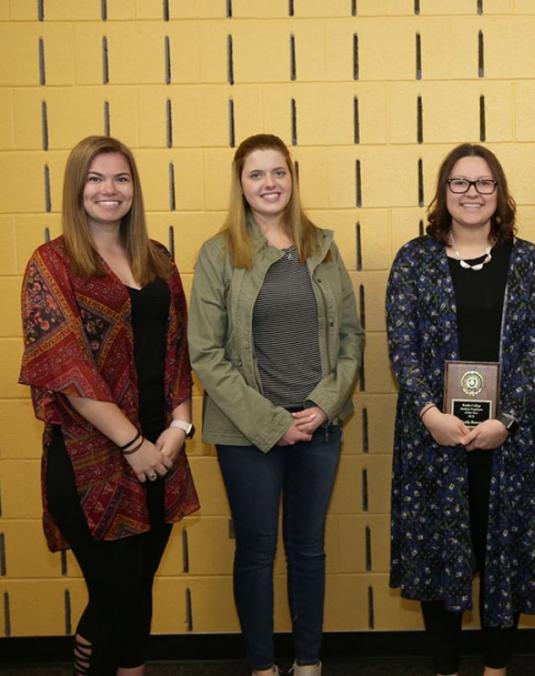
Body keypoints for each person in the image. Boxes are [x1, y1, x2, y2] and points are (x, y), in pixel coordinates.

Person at [19, 135, 199, 675]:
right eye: (95, 179)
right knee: (115, 598)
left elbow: (179, 348)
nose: (109, 190)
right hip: (91, 463)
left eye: (120, 178)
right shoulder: (51, 264)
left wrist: (180, 425)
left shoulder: (158, 258)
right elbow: (65, 370)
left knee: (137, 596)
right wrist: (133, 444)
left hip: (161, 454)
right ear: (76, 188)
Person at [187, 134, 364, 676]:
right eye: (256, 174)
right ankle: (263, 666)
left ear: (292, 178)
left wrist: (323, 406)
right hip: (248, 436)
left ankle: (308, 662)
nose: (269, 184)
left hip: (319, 429)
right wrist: (272, 422)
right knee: (257, 554)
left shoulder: (322, 248)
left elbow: (351, 337)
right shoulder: (219, 254)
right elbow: (205, 353)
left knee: (308, 551)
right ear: (240, 184)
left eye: (278, 172)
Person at [386, 143, 535, 676]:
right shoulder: (415, 258)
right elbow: (401, 344)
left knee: (501, 551)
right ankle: (445, 668)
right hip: (433, 435)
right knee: (439, 552)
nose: (472, 193)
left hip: (508, 438)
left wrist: (507, 419)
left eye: (484, 183)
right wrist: (430, 413)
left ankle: (496, 668)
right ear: (443, 192)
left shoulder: (527, 262)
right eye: (460, 183)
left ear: (499, 193)